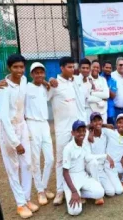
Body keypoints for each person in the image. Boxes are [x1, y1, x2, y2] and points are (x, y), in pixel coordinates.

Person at [0, 54, 38, 218]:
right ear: (9, 68)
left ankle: (27, 199)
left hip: (22, 126)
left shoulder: (23, 81)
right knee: (13, 167)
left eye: (22, 67)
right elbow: (5, 117)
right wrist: (15, 142)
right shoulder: (4, 88)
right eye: (16, 67)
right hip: (9, 130)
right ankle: (20, 205)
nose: (19, 70)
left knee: (27, 164)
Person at [48, 56, 87, 205]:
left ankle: (76, 187)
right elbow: (44, 94)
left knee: (78, 157)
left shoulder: (74, 82)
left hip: (76, 127)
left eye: (73, 67)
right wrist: (49, 82)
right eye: (69, 67)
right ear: (61, 68)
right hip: (62, 130)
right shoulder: (54, 84)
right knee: (60, 161)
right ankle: (59, 191)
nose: (72, 69)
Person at [25, 62, 54, 206]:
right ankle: (40, 191)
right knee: (35, 159)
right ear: (31, 74)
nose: (39, 75)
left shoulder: (44, 87)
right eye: (36, 72)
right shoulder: (26, 88)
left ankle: (43, 186)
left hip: (44, 124)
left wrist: (47, 83)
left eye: (41, 72)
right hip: (32, 124)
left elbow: (50, 92)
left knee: (50, 159)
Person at [62, 120, 105, 216]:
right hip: (71, 177)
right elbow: (65, 172)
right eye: (78, 131)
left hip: (82, 175)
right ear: (73, 133)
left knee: (100, 192)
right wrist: (73, 191)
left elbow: (89, 157)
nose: (82, 133)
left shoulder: (85, 144)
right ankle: (73, 192)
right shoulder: (68, 148)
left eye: (83, 131)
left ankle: (80, 193)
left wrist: (105, 156)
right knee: (75, 211)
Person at [84, 112, 117, 198]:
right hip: (91, 168)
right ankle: (92, 187)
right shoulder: (88, 137)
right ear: (91, 123)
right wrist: (105, 156)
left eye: (99, 120)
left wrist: (103, 125)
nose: (97, 122)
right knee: (94, 163)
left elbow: (113, 127)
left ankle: (99, 187)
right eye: (94, 121)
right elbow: (88, 157)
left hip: (101, 169)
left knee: (111, 192)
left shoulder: (105, 134)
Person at [104, 114, 123, 193]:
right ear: (116, 124)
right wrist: (106, 125)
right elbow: (96, 127)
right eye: (119, 122)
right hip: (109, 164)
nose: (121, 125)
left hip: (119, 163)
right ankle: (111, 180)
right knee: (119, 191)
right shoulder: (111, 132)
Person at [100, 61, 117, 125]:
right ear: (102, 68)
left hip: (110, 111)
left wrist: (106, 87)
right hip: (100, 109)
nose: (108, 69)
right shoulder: (98, 79)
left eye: (110, 68)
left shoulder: (113, 81)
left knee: (111, 129)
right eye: (106, 67)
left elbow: (113, 96)